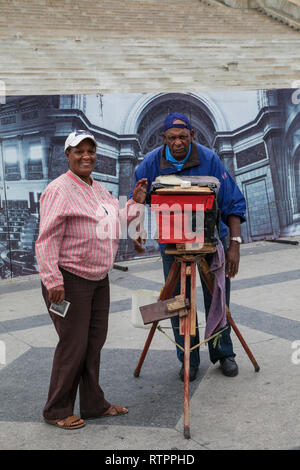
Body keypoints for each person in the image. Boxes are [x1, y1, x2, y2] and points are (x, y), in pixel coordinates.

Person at [35, 129, 147, 430]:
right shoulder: (59, 190)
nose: (86, 156)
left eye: (90, 151)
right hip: (69, 280)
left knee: (93, 343)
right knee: (74, 345)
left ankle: (93, 404)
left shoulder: (97, 188)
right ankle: (56, 409)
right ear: (67, 155)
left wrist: (135, 203)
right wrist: (52, 280)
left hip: (98, 278)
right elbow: (46, 239)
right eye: (79, 151)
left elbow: (118, 218)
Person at [131, 113, 246, 382]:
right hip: (172, 243)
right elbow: (135, 201)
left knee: (216, 295)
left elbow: (233, 204)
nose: (178, 142)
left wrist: (235, 245)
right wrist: (136, 230)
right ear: (164, 139)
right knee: (178, 303)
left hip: (208, 240)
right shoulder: (149, 165)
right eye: (172, 138)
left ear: (192, 135)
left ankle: (223, 353)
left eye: (183, 137)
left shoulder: (210, 159)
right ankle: (187, 357)